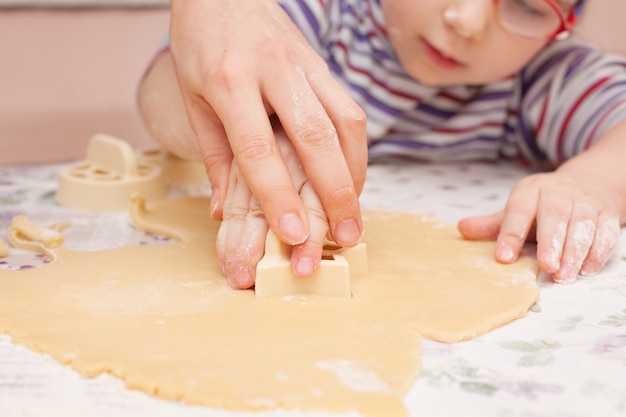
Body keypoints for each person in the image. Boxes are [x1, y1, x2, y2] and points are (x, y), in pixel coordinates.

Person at [138, 0, 626, 290]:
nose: (467, 20)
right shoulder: (323, 15)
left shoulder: (540, 79)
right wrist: (260, 122)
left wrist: (594, 181)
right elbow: (167, 90)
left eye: (526, 5)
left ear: (563, 27)